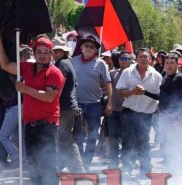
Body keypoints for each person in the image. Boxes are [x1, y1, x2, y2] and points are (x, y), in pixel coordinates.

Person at [0, 34, 65, 185]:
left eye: (46, 52)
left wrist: (25, 88)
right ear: (34, 52)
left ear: (52, 54)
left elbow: (50, 96)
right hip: (30, 124)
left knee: (48, 163)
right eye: (39, 52)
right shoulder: (27, 68)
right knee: (34, 163)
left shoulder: (54, 72)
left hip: (47, 125)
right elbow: (5, 65)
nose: (42, 55)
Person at [117, 48, 162, 175]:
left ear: (150, 59)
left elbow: (160, 95)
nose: (143, 58)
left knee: (143, 142)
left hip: (146, 114)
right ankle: (126, 167)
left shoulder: (156, 76)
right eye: (140, 56)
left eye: (145, 57)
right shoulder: (127, 72)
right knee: (127, 141)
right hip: (129, 112)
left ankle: (145, 169)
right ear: (136, 58)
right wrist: (132, 92)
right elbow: (121, 91)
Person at [72, 34, 112, 169]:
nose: (89, 48)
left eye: (92, 46)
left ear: (96, 49)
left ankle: (86, 162)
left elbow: (107, 84)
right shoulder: (74, 60)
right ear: (81, 47)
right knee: (77, 134)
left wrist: (110, 102)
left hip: (94, 104)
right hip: (77, 103)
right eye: (86, 46)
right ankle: (79, 161)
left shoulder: (101, 64)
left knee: (92, 135)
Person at [52, 37, 85, 173]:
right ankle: (66, 166)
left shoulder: (62, 64)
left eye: (55, 51)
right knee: (63, 138)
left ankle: (78, 169)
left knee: (66, 138)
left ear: (61, 52)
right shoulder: (67, 62)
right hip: (69, 106)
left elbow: (60, 85)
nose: (53, 54)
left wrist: (53, 102)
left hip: (65, 107)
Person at [158, 52, 182, 174]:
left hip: (176, 119)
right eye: (167, 63)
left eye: (172, 63)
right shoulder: (165, 78)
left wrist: (177, 120)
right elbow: (162, 97)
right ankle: (171, 170)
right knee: (166, 145)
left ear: (177, 64)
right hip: (165, 117)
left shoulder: (181, 79)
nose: (169, 66)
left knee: (175, 145)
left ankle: (179, 172)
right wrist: (145, 93)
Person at [107, 50, 132, 169]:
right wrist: (108, 104)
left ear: (131, 61)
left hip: (128, 111)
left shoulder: (134, 75)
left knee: (127, 139)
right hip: (114, 110)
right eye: (122, 58)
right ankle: (113, 163)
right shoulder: (111, 74)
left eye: (127, 59)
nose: (124, 61)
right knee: (113, 139)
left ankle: (127, 163)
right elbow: (107, 90)